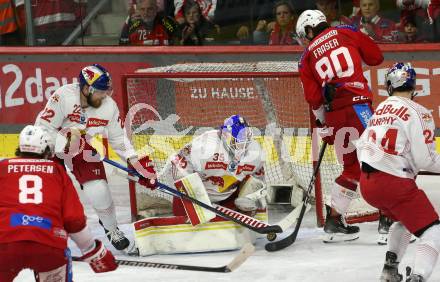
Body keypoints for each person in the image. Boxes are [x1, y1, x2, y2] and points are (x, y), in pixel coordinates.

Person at [34, 64, 157, 251]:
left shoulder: (109, 106)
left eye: (106, 90)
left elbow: (118, 138)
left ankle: (112, 229)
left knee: (98, 189)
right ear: (86, 88)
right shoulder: (63, 96)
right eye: (100, 91)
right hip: (50, 145)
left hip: (81, 146)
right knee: (48, 192)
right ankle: (39, 232)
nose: (104, 95)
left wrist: (135, 162)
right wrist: (63, 143)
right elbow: (43, 128)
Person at [295, 10, 383, 242]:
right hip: (358, 107)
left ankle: (334, 219)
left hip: (335, 116)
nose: (305, 40)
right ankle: (389, 218)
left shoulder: (305, 58)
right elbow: (376, 57)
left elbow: (314, 99)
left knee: (352, 169)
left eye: (304, 35)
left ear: (309, 29)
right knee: (380, 159)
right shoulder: (346, 31)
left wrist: (324, 123)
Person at [0, 125, 117, 281]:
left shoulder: (2, 167)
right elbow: (73, 219)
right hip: (48, 246)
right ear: (47, 149)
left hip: (5, 245)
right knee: (55, 258)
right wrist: (91, 250)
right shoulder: (56, 171)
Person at [357, 62, 440, 282]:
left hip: (367, 183)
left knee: (404, 220)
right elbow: (426, 160)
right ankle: (419, 278)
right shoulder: (419, 112)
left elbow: (361, 147)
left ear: (389, 86)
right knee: (433, 231)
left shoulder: (380, 110)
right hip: (393, 183)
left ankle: (389, 271)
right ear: (414, 86)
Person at [171, 114, 266, 217]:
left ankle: (240, 211)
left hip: (227, 197)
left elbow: (258, 179)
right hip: (195, 197)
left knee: (250, 183)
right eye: (237, 141)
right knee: (183, 220)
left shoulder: (255, 153)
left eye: (245, 142)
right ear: (225, 135)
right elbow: (178, 163)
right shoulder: (204, 145)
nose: (242, 147)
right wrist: (193, 195)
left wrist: (253, 197)